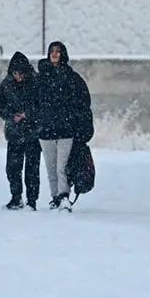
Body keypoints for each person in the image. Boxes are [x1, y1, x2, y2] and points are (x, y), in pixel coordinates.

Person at [36, 41, 92, 211]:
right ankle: (55, 197)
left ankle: (63, 196)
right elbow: (33, 102)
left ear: (63, 54)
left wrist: (80, 125)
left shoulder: (72, 79)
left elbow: (83, 103)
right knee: (51, 168)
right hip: (46, 130)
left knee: (62, 167)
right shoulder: (41, 78)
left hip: (66, 130)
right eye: (52, 51)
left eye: (58, 51)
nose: (54, 54)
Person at [0, 51, 41, 210]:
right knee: (13, 168)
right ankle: (16, 197)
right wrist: (11, 116)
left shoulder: (36, 83)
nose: (18, 76)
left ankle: (31, 200)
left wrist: (28, 114)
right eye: (15, 73)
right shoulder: (6, 85)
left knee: (32, 169)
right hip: (14, 132)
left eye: (20, 73)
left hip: (33, 132)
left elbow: (43, 104)